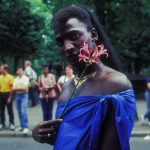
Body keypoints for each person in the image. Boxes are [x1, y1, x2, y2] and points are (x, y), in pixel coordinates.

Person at [32, 6, 136, 150]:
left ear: (93, 34)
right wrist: (43, 135)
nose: (67, 47)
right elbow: (70, 141)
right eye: (60, 42)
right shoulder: (67, 87)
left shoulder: (116, 84)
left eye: (74, 36)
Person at [13, 66, 29, 134]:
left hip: (24, 96)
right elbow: (13, 88)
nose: (19, 72)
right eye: (18, 70)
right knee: (19, 111)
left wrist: (17, 88)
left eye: (20, 70)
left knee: (23, 111)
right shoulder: (15, 79)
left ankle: (26, 127)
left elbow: (25, 88)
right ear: (17, 72)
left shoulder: (26, 78)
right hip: (17, 96)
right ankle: (21, 126)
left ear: (22, 71)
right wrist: (20, 88)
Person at [0, 64, 15, 130]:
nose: (0, 70)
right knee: (1, 111)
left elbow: (12, 88)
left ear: (5, 70)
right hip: (1, 94)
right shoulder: (0, 77)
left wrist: (10, 97)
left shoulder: (10, 77)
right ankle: (2, 123)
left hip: (8, 94)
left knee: (10, 110)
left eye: (1, 69)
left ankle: (11, 124)